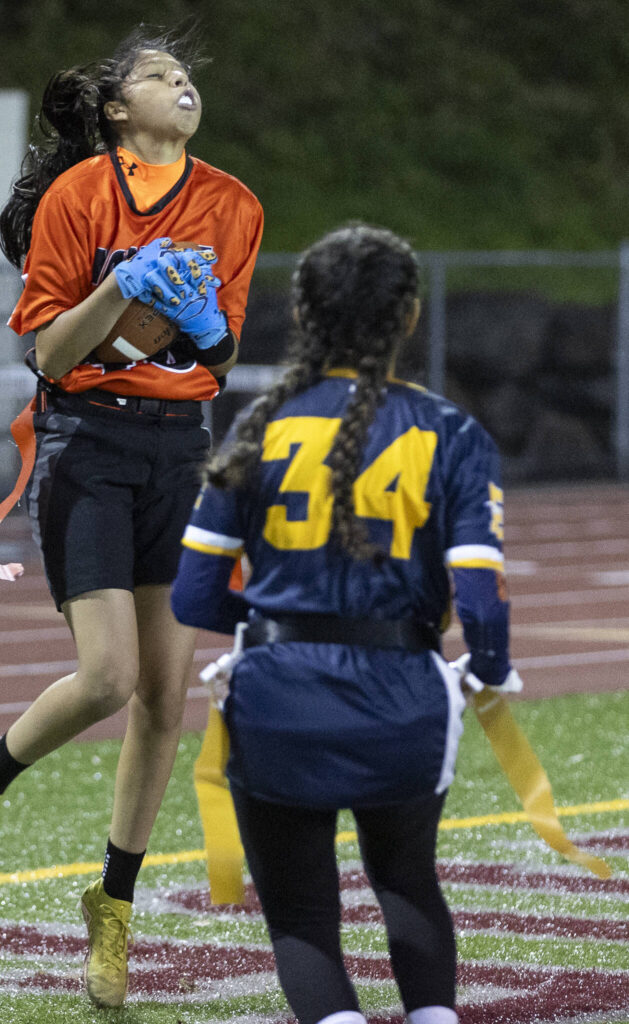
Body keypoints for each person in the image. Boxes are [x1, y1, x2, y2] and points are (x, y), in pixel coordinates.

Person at [0, 24, 263, 1010]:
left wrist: (203, 332)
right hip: (88, 442)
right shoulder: (79, 198)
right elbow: (46, 354)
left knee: (165, 698)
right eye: (160, 75)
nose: (181, 84)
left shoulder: (230, 204)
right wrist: (119, 292)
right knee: (109, 676)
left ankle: (110, 910)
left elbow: (217, 359)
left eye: (188, 74)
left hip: (179, 448)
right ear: (119, 110)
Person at [170, 222, 523, 1024]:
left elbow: (192, 597)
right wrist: (491, 666)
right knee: (407, 882)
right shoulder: (451, 431)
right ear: (408, 317)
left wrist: (270, 625)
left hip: (277, 698)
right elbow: (477, 595)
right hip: (402, 695)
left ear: (302, 315)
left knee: (300, 916)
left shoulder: (257, 424)